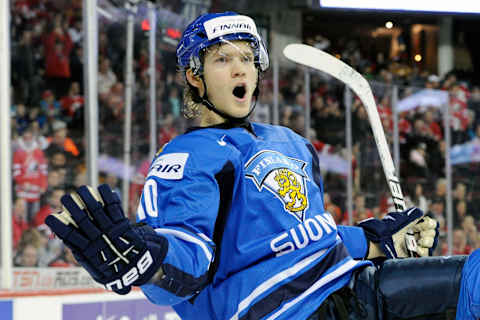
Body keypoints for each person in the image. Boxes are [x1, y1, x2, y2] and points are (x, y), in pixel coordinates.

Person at [45, 12, 480, 320]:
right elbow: (188, 257)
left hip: (350, 290)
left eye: (247, 58)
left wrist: (376, 239)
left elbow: (300, 240)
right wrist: (150, 259)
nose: (241, 68)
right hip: (279, 310)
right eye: (223, 58)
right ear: (195, 76)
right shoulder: (189, 155)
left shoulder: (292, 143)